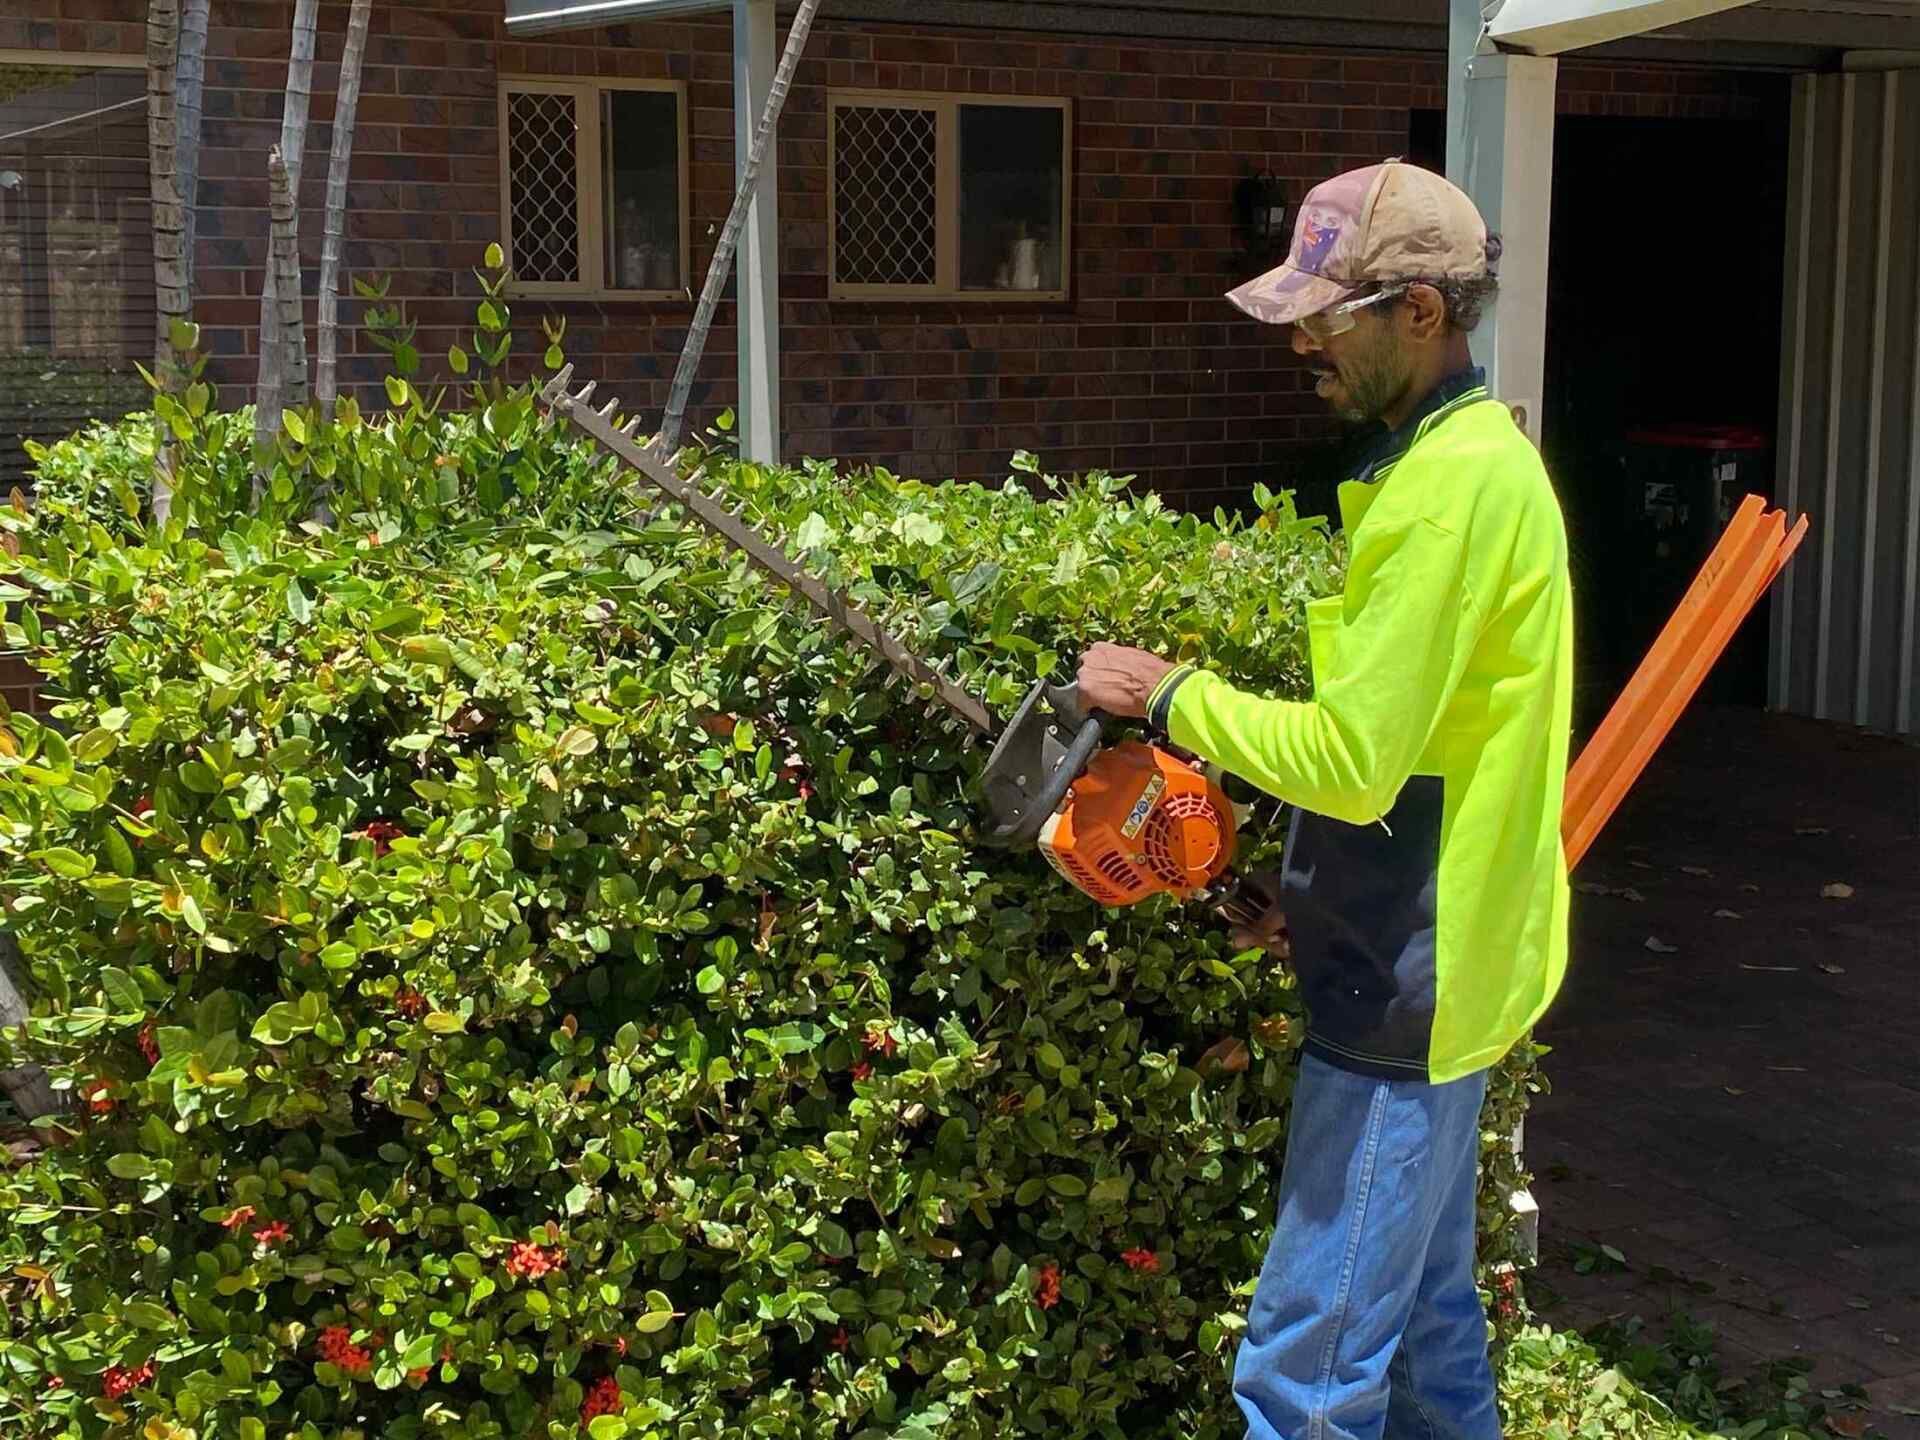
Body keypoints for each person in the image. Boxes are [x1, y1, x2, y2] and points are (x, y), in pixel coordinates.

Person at [1075, 160, 1575, 1440]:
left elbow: (1356, 758)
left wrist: (1173, 695)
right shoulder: (1471, 458)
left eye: (1325, 311)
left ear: (1419, 311)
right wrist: (1317, 897)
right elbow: (1427, 751)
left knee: (1307, 1375)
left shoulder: (1445, 493)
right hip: (1439, 948)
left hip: (1411, 982)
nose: (1300, 337)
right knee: (1422, 1328)